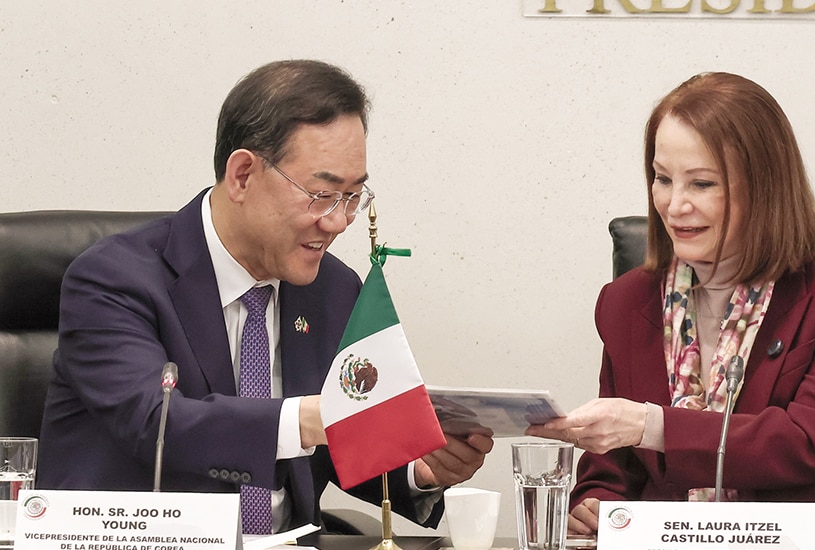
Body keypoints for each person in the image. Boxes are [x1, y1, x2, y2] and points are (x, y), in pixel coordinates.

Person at [37, 59, 493, 534]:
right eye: (321, 194)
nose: (338, 222)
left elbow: (341, 453)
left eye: (354, 197)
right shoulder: (113, 278)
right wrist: (315, 417)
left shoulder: (334, 289)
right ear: (241, 175)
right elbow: (155, 422)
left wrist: (417, 472)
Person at [527, 72, 815, 544]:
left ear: (765, 186)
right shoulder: (626, 301)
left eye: (702, 183)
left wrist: (648, 424)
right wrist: (595, 504)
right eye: (662, 179)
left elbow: (806, 443)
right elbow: (614, 467)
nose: (674, 206)